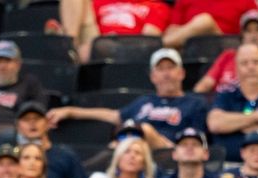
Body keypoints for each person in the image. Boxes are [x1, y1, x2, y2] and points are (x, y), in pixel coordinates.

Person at [47, 48, 207, 150]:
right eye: (160, 68)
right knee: (117, 143)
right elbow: (112, 115)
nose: (166, 74)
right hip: (133, 150)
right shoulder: (144, 102)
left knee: (138, 132)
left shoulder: (194, 103)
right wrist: (70, 111)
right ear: (153, 76)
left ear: (182, 73)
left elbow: (197, 142)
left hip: (169, 154)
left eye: (171, 68)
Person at [193, 10, 258, 94]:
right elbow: (203, 86)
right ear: (242, 37)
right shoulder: (228, 56)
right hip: (219, 106)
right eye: (248, 31)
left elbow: (257, 96)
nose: (253, 35)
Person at [58, 0, 173, 63]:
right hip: (95, 41)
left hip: (129, 47)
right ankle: (67, 45)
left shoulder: (156, 6)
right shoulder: (101, 2)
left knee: (95, 47)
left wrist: (113, 41)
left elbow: (148, 42)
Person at [16, 101, 87, 178]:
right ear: (18, 126)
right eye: (26, 119)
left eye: (37, 118)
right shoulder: (11, 157)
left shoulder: (65, 156)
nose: (32, 123)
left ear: (48, 123)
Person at [161, 0, 258, 49]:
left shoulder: (246, 1)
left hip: (226, 49)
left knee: (205, 22)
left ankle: (156, 48)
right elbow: (173, 30)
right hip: (189, 50)